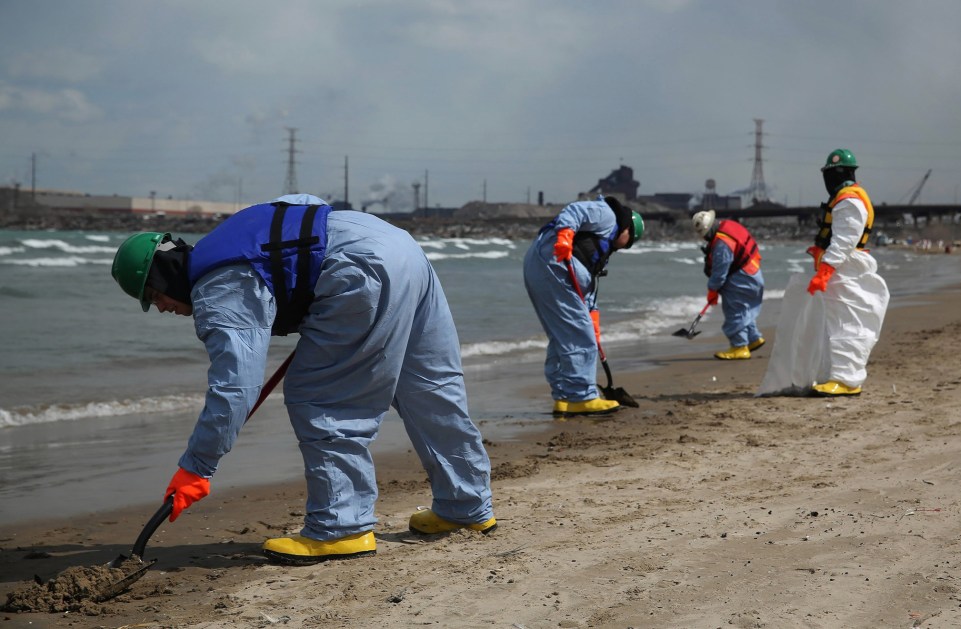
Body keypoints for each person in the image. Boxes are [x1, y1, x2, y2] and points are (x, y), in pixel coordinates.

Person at [110, 193, 495, 565]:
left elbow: (235, 388)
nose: (162, 309)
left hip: (359, 269)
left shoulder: (218, 286)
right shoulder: (230, 238)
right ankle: (465, 504)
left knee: (320, 397)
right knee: (429, 389)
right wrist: (314, 297)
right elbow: (306, 205)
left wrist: (196, 467)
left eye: (154, 297)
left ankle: (340, 527)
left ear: (162, 277)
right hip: (400, 248)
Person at [757, 149, 889, 397]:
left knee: (845, 323)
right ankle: (836, 377)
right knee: (834, 324)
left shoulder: (848, 200)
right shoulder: (845, 198)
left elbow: (844, 240)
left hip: (845, 268)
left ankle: (847, 381)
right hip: (842, 267)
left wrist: (826, 270)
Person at [523, 195, 644, 416]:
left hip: (540, 265)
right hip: (553, 263)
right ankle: (582, 396)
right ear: (628, 230)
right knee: (579, 335)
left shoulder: (603, 243)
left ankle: (564, 396)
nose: (625, 248)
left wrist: (593, 320)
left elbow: (588, 289)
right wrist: (565, 235)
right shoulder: (608, 215)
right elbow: (575, 211)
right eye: (630, 242)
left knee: (565, 335)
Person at [691, 210, 765, 360]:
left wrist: (712, 290)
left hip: (742, 277)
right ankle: (753, 338)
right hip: (753, 273)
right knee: (744, 308)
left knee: (735, 310)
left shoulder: (722, 244)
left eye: (704, 234)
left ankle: (739, 347)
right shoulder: (728, 225)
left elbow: (720, 272)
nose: (705, 238)